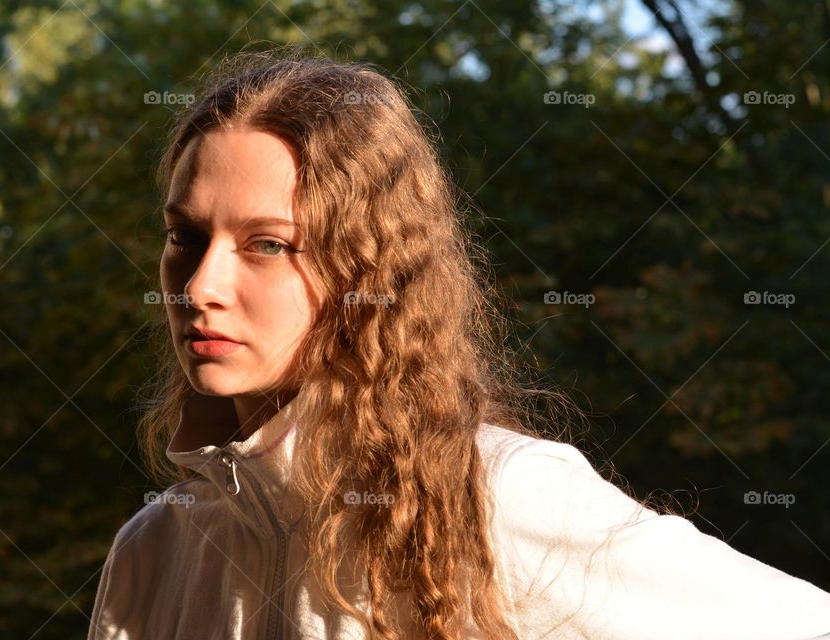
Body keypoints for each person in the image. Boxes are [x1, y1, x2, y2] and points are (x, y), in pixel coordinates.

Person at [88, 48, 830, 640]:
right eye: (185, 237)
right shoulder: (152, 552)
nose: (199, 285)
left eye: (269, 245)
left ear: (365, 269)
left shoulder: (498, 498)